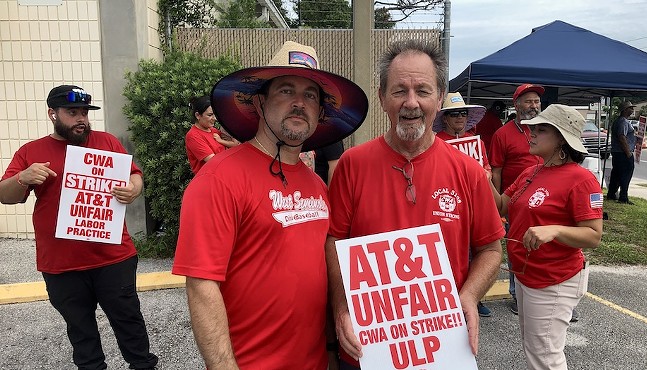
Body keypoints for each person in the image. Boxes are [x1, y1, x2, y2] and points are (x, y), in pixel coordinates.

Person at [171, 41, 368, 370]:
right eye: (286, 90)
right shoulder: (218, 179)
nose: (298, 103)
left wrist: (332, 352)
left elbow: (318, 275)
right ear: (260, 103)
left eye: (310, 95)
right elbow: (202, 285)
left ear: (320, 113)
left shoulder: (318, 186)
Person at [325, 39, 504, 369]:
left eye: (422, 90)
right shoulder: (353, 165)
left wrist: (469, 295)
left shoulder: (468, 172)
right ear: (382, 98)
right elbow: (335, 240)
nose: (411, 103)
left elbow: (491, 249)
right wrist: (341, 307)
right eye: (399, 91)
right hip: (367, 346)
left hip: (441, 348)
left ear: (438, 99)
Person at [0, 85, 158, 370]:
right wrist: (23, 177)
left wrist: (134, 188)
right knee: (81, 332)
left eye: (84, 112)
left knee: (129, 322)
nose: (81, 118)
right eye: (72, 112)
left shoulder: (107, 141)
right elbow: (4, 195)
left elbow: (134, 174)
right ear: (52, 114)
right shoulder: (31, 151)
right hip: (61, 264)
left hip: (114, 257)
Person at [490, 104, 603, 370]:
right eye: (532, 128)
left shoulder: (581, 179)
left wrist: (554, 230)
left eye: (541, 129)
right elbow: (503, 206)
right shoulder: (532, 172)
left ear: (562, 139)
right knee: (536, 350)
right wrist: (482, 177)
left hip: (554, 279)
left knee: (545, 357)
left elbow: (593, 235)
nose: (531, 133)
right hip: (528, 274)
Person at [434, 92, 493, 318]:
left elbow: (487, 168)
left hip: (474, 206)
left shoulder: (475, 141)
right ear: (445, 118)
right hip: (447, 207)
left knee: (479, 252)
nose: (460, 117)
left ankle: (474, 299)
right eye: (454, 113)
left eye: (463, 113)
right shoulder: (437, 141)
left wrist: (485, 175)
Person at [489, 83, 544, 315]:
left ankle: (545, 294)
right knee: (517, 248)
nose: (533, 105)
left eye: (536, 101)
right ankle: (517, 295)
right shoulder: (503, 134)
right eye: (528, 101)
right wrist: (498, 208)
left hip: (545, 201)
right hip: (515, 201)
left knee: (544, 248)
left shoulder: (545, 130)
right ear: (517, 104)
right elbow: (496, 171)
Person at [185, 95, 239, 175]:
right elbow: (213, 161)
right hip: (211, 180)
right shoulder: (193, 136)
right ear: (198, 115)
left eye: (215, 114)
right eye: (210, 115)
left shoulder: (214, 131)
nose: (215, 118)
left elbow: (235, 144)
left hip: (225, 175)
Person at [606, 101, 637, 204]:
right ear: (625, 110)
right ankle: (623, 197)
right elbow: (622, 137)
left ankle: (611, 193)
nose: (632, 110)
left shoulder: (618, 121)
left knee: (616, 174)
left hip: (617, 152)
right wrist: (628, 152)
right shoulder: (623, 122)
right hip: (622, 153)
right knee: (626, 174)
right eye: (630, 108)